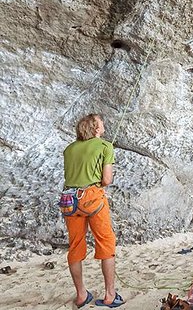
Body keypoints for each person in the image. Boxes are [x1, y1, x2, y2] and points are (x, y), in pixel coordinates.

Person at [62, 114, 123, 308]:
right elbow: (106, 180)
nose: (104, 123)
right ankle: (110, 295)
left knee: (76, 245)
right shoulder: (105, 146)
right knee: (105, 242)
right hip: (92, 198)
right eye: (101, 122)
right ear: (96, 128)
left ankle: (81, 295)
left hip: (69, 200)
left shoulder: (69, 149)